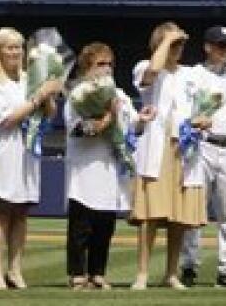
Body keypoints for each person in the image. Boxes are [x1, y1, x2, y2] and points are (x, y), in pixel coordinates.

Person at [0, 27, 63, 289]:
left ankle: (15, 269)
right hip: (4, 151)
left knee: (22, 213)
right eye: (10, 47)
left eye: (19, 47)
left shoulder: (29, 77)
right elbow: (6, 119)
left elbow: (49, 113)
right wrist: (39, 96)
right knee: (2, 212)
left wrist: (49, 91)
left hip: (28, 152)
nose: (15, 52)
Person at [129, 22, 209, 290]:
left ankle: (171, 272)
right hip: (157, 146)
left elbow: (202, 105)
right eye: (172, 45)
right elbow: (150, 74)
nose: (177, 49)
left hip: (184, 147)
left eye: (180, 45)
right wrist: (166, 40)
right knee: (151, 214)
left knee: (179, 216)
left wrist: (203, 120)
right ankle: (142, 272)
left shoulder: (192, 74)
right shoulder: (144, 67)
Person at [65, 42, 150, 289]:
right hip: (84, 168)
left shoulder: (120, 95)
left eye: (110, 64)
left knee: (104, 226)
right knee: (81, 227)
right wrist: (107, 119)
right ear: (87, 67)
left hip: (111, 170)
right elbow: (79, 129)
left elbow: (133, 127)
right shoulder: (78, 94)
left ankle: (98, 272)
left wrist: (143, 120)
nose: (107, 69)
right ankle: (77, 273)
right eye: (100, 64)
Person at [179, 26, 226, 288]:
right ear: (207, 47)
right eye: (221, 46)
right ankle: (188, 266)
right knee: (196, 212)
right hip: (201, 146)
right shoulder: (192, 75)